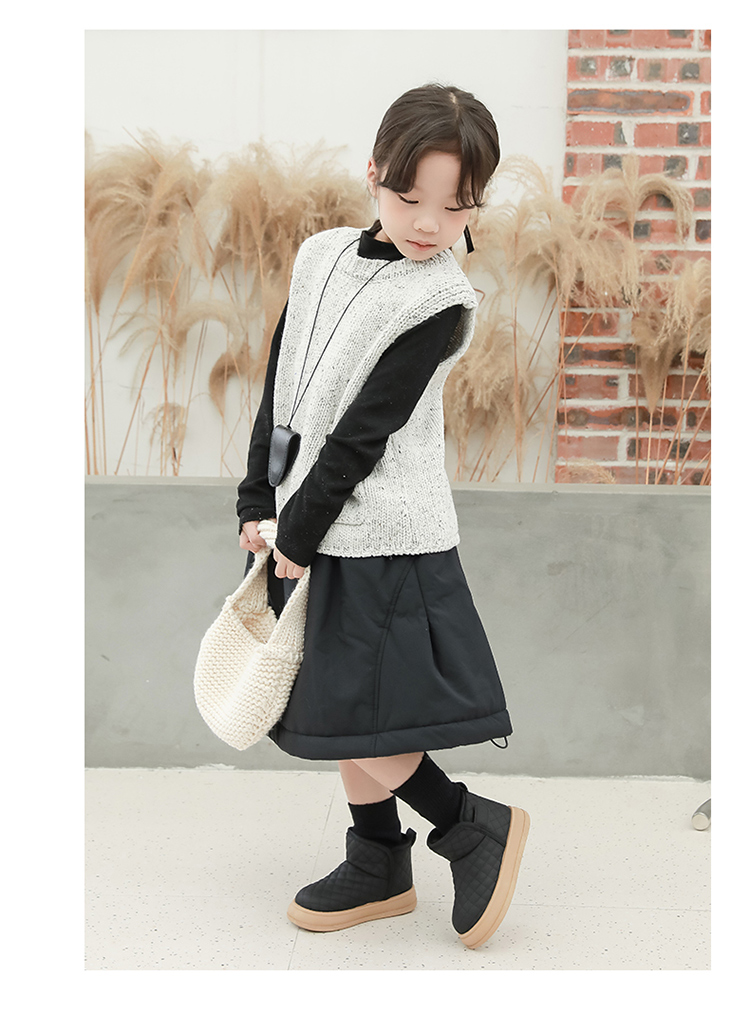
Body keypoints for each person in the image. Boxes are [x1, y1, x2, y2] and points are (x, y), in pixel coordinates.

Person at [236, 83, 530, 950]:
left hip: (378, 533)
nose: (431, 224)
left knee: (353, 713)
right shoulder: (320, 256)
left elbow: (365, 433)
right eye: (409, 198)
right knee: (339, 711)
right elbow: (282, 380)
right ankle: (377, 860)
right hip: (304, 520)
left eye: (456, 205)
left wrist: (297, 532)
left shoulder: (438, 299)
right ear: (373, 173)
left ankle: (471, 826)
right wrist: (257, 497)